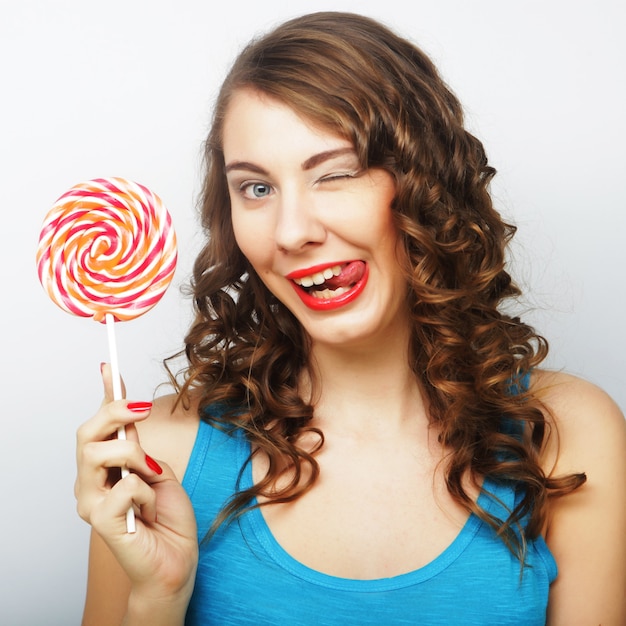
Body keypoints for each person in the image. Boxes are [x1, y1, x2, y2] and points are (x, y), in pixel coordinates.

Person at [75, 11, 626, 626]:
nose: (292, 233)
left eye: (335, 174)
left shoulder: (563, 437)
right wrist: (158, 597)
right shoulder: (157, 459)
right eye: (256, 189)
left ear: (425, 184)